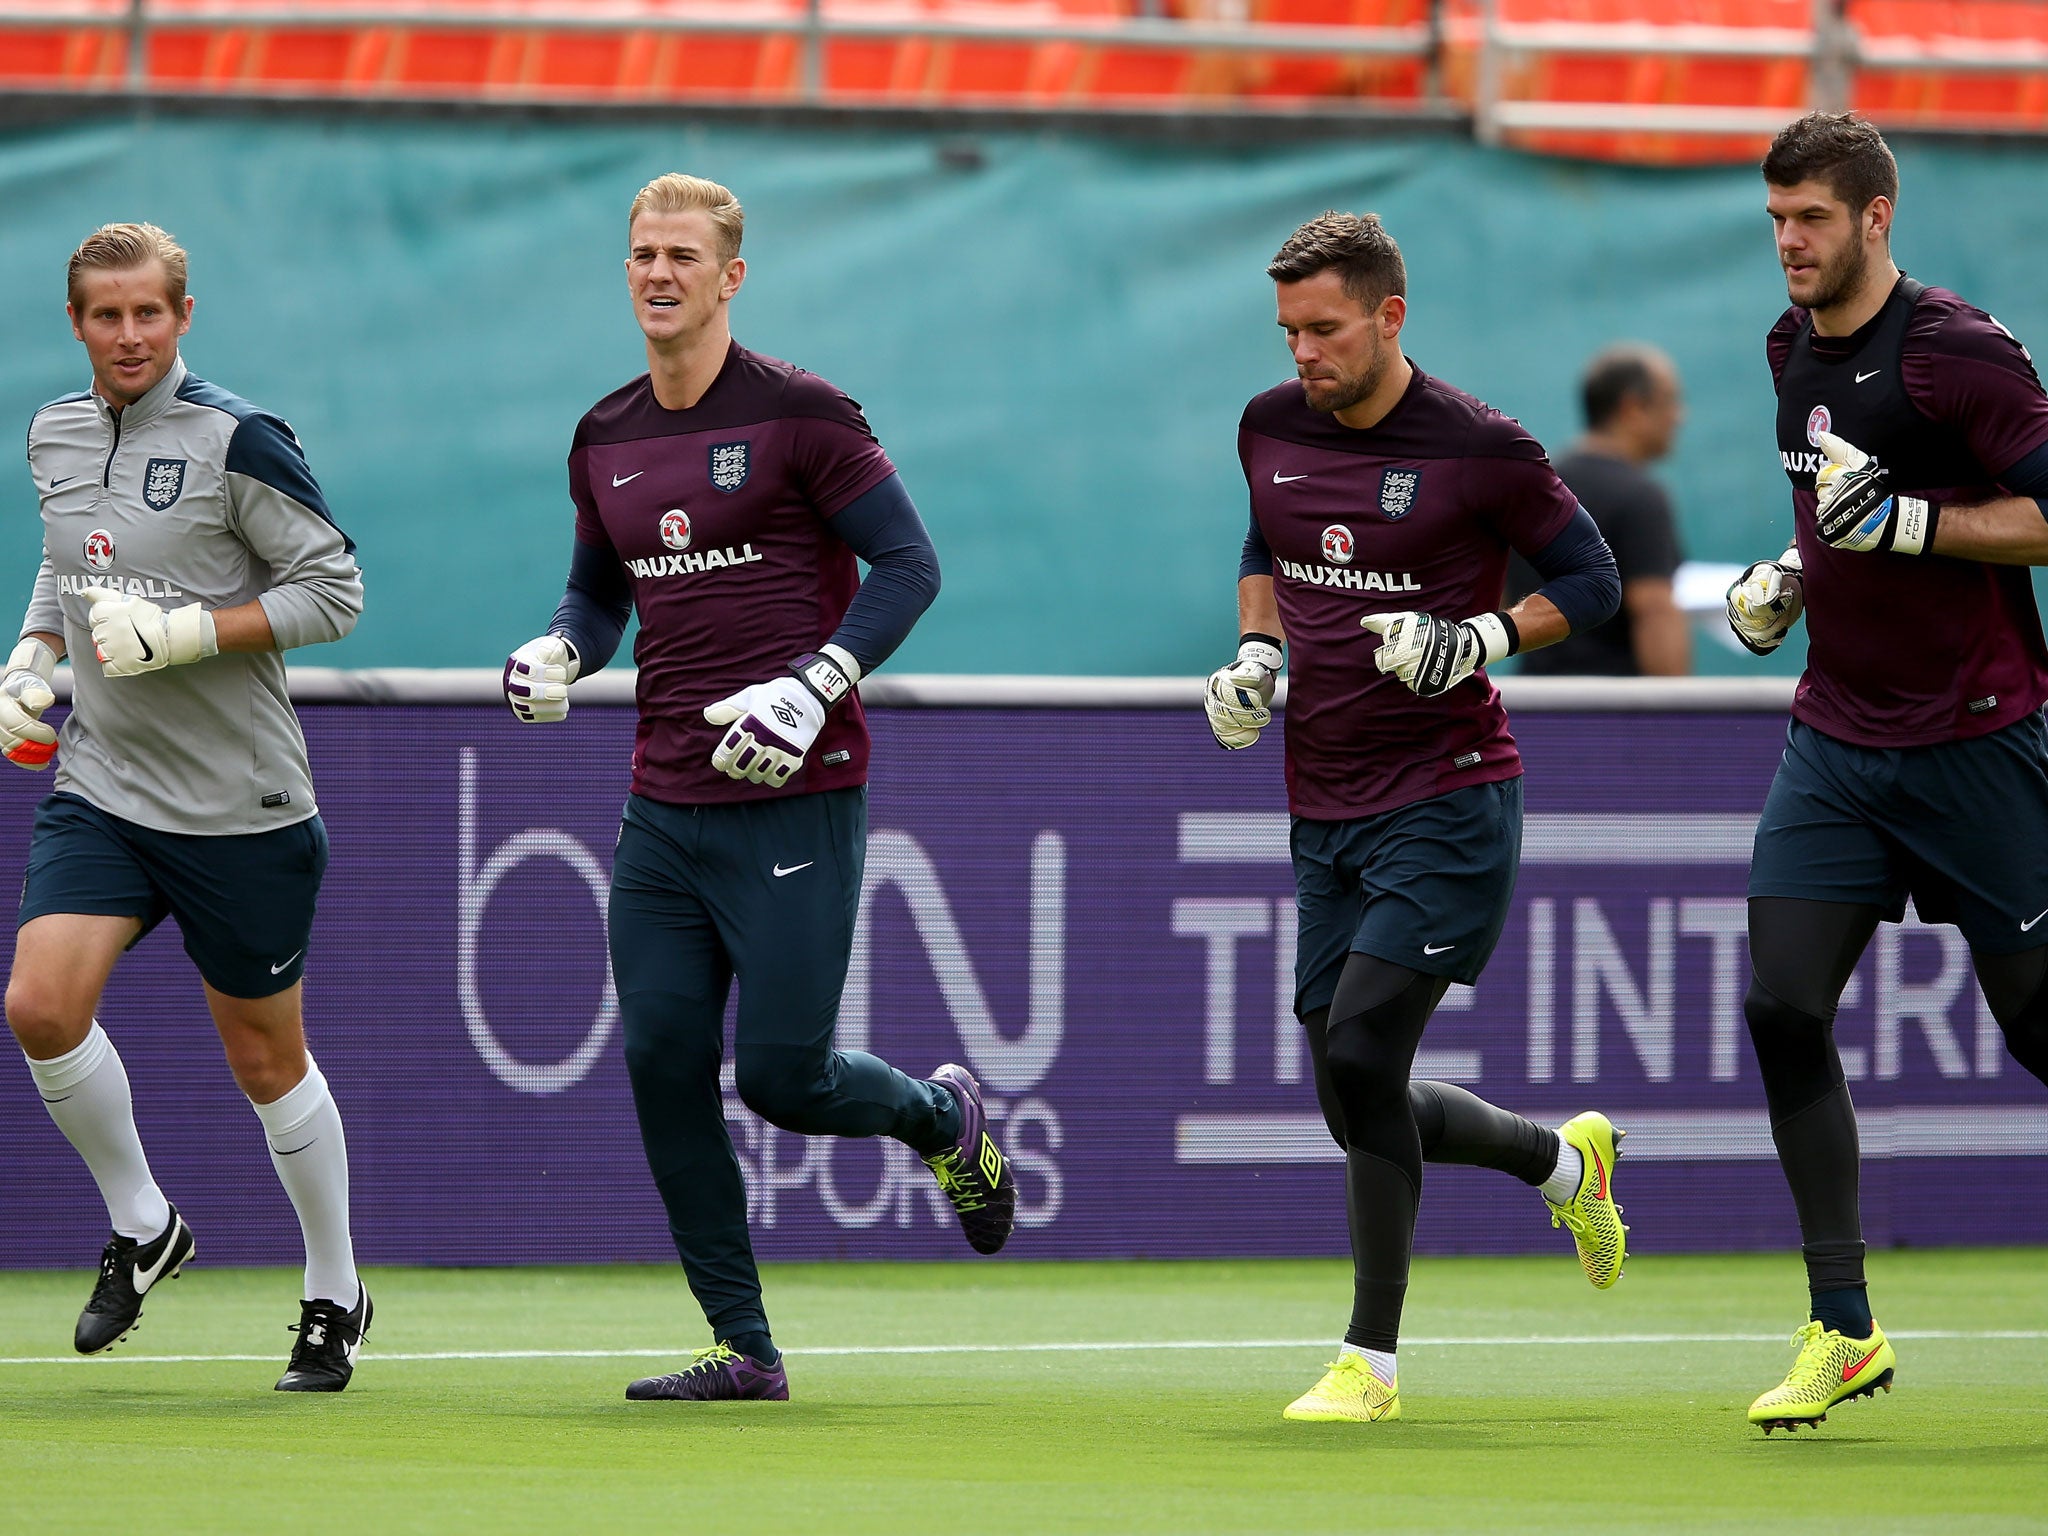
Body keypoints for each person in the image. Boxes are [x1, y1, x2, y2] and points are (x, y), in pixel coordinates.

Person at [502, 173, 1014, 1405]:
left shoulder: (802, 415)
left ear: (731, 277)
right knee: (662, 1059)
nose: (658, 272)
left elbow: (909, 566)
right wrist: (562, 650)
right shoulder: (605, 434)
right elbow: (599, 592)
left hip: (796, 796)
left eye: (683, 254)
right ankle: (746, 1348)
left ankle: (942, 1120)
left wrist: (815, 682)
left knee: (784, 1078)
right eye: (640, 254)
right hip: (661, 806)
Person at [1206, 210, 1627, 1425]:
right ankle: (1562, 1162)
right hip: (1319, 802)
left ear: (1390, 316)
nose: (1301, 353)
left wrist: (1477, 637)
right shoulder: (1268, 426)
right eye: (1287, 330)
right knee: (1353, 1098)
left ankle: (1367, 1365)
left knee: (1357, 1057)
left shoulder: (1482, 447)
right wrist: (1253, 649)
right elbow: (1262, 541)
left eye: (1323, 329)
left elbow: (1589, 582)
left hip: (1446, 797)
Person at [1724, 111, 2048, 1434]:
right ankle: (1843, 1329)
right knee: (1782, 1009)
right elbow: (1830, 511)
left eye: (1810, 220)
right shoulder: (1789, 345)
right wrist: (1792, 577)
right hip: (1839, 744)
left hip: (1978, 742)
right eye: (1775, 222)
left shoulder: (1960, 352)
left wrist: (1911, 522)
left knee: (2038, 1028)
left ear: (1876, 219)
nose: (1789, 244)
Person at [2, 223, 369, 1390]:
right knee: (39, 1005)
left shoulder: (239, 438)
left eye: (147, 313)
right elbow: (67, 557)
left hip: (240, 804)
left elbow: (335, 591)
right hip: (104, 784)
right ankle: (145, 1224)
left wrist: (190, 630)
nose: (126, 335)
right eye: (105, 316)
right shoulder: (52, 431)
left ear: (183, 316)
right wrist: (31, 652)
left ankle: (334, 1292)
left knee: (265, 1064)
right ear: (77, 323)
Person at [1511, 344, 1690, 677]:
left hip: (1534, 709)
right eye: (1670, 402)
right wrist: (1679, 721)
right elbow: (1654, 611)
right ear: (1633, 408)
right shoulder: (1641, 497)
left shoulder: (1534, 486)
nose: (1679, 416)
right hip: (1615, 717)